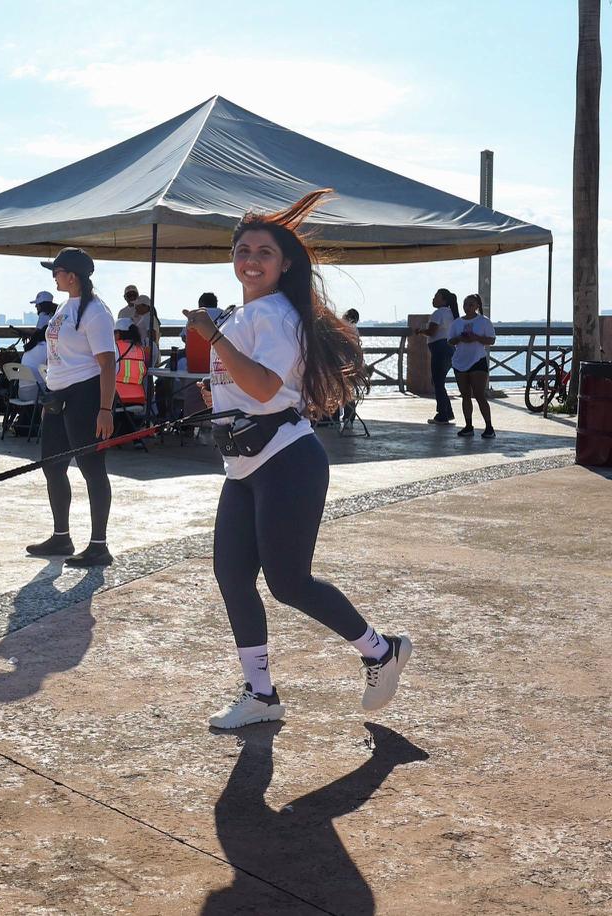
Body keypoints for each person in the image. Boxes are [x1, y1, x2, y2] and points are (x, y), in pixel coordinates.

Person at [185, 189, 412, 730]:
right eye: (243, 250)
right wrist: (217, 394)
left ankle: (381, 650)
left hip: (286, 461)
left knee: (288, 582)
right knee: (232, 577)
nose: (251, 260)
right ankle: (261, 695)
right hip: (244, 465)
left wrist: (212, 336)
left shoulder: (275, 314)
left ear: (284, 263)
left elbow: (266, 387)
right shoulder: (246, 314)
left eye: (264, 252)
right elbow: (255, 386)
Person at [27, 247, 117, 568]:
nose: (54, 277)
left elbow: (108, 363)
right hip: (58, 395)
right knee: (52, 466)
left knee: (92, 468)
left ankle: (99, 545)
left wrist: (105, 409)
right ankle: (61, 536)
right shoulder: (67, 306)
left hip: (85, 395)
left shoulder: (96, 312)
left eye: (57, 272)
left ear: (72, 277)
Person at [449, 293, 496, 439]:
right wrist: (460, 338)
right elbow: (450, 340)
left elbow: (491, 340)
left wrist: (476, 338)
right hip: (460, 361)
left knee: (479, 394)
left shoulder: (484, 321)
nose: (467, 307)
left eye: (471, 304)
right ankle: (468, 426)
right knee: (465, 395)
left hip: (478, 360)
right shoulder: (457, 323)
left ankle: (489, 427)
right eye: (465, 304)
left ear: (477, 306)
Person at [413, 289, 459, 424]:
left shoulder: (438, 313)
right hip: (450, 348)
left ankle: (442, 415)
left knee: (438, 382)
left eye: (436, 297)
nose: (433, 299)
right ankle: (447, 412)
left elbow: (432, 331)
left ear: (444, 300)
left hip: (440, 349)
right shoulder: (451, 313)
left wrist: (420, 331)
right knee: (439, 382)